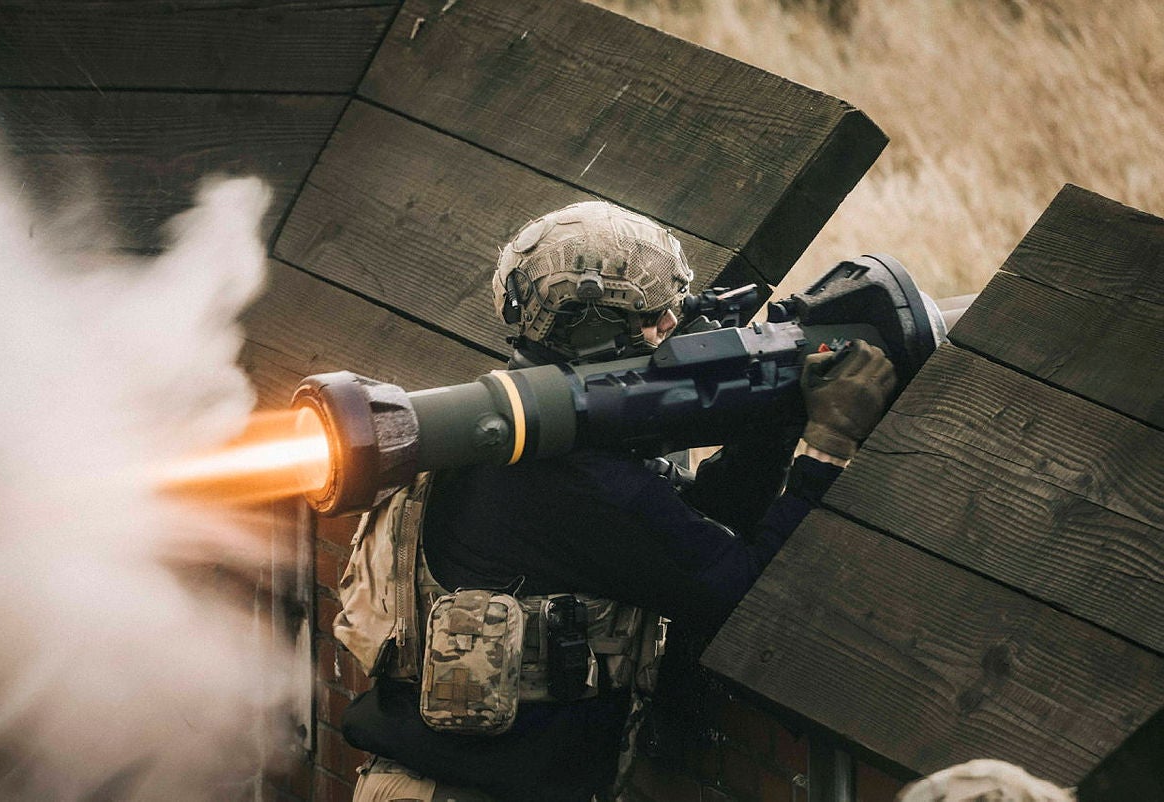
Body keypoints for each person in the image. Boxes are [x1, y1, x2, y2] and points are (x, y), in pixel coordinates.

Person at [336, 201, 898, 802]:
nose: (671, 328)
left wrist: (776, 419)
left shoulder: (488, 435)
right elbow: (739, 590)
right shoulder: (584, 486)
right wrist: (827, 447)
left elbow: (687, 528)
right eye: (658, 317)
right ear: (604, 332)